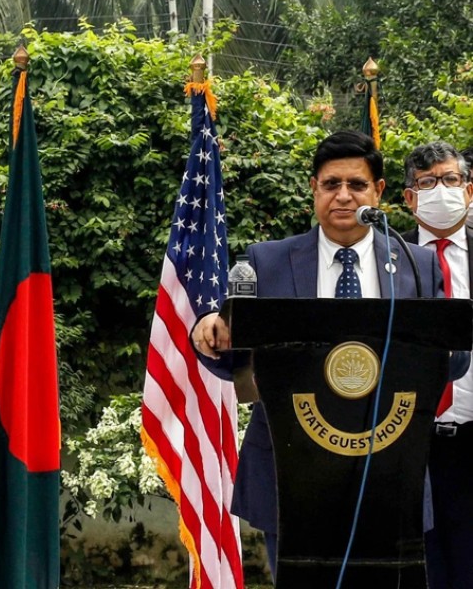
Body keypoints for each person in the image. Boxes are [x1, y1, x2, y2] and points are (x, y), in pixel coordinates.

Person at [190, 130, 468, 579]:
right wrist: (208, 331)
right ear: (313, 190)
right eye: (330, 184)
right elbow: (234, 358)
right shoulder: (268, 261)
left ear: (377, 192)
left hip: (391, 474)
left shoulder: (416, 263)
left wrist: (446, 342)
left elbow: (449, 363)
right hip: (291, 475)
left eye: (356, 185)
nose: (343, 196)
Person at [402, 141, 473, 589]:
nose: (440, 191)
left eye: (450, 180)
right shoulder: (386, 256)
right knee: (422, 573)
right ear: (409, 197)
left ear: (469, 191)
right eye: (427, 183)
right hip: (410, 446)